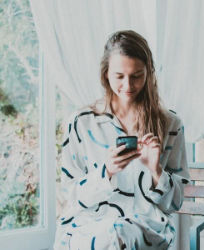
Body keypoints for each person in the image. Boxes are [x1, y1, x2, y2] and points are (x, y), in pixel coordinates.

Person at [54, 30, 189, 249]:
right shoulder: (81, 123)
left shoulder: (170, 124)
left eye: (137, 75)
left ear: (149, 73)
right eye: (119, 76)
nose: (128, 85)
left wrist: (156, 172)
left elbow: (175, 203)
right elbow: (72, 197)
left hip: (147, 225)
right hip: (90, 223)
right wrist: (105, 172)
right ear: (106, 74)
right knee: (107, 237)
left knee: (122, 235)